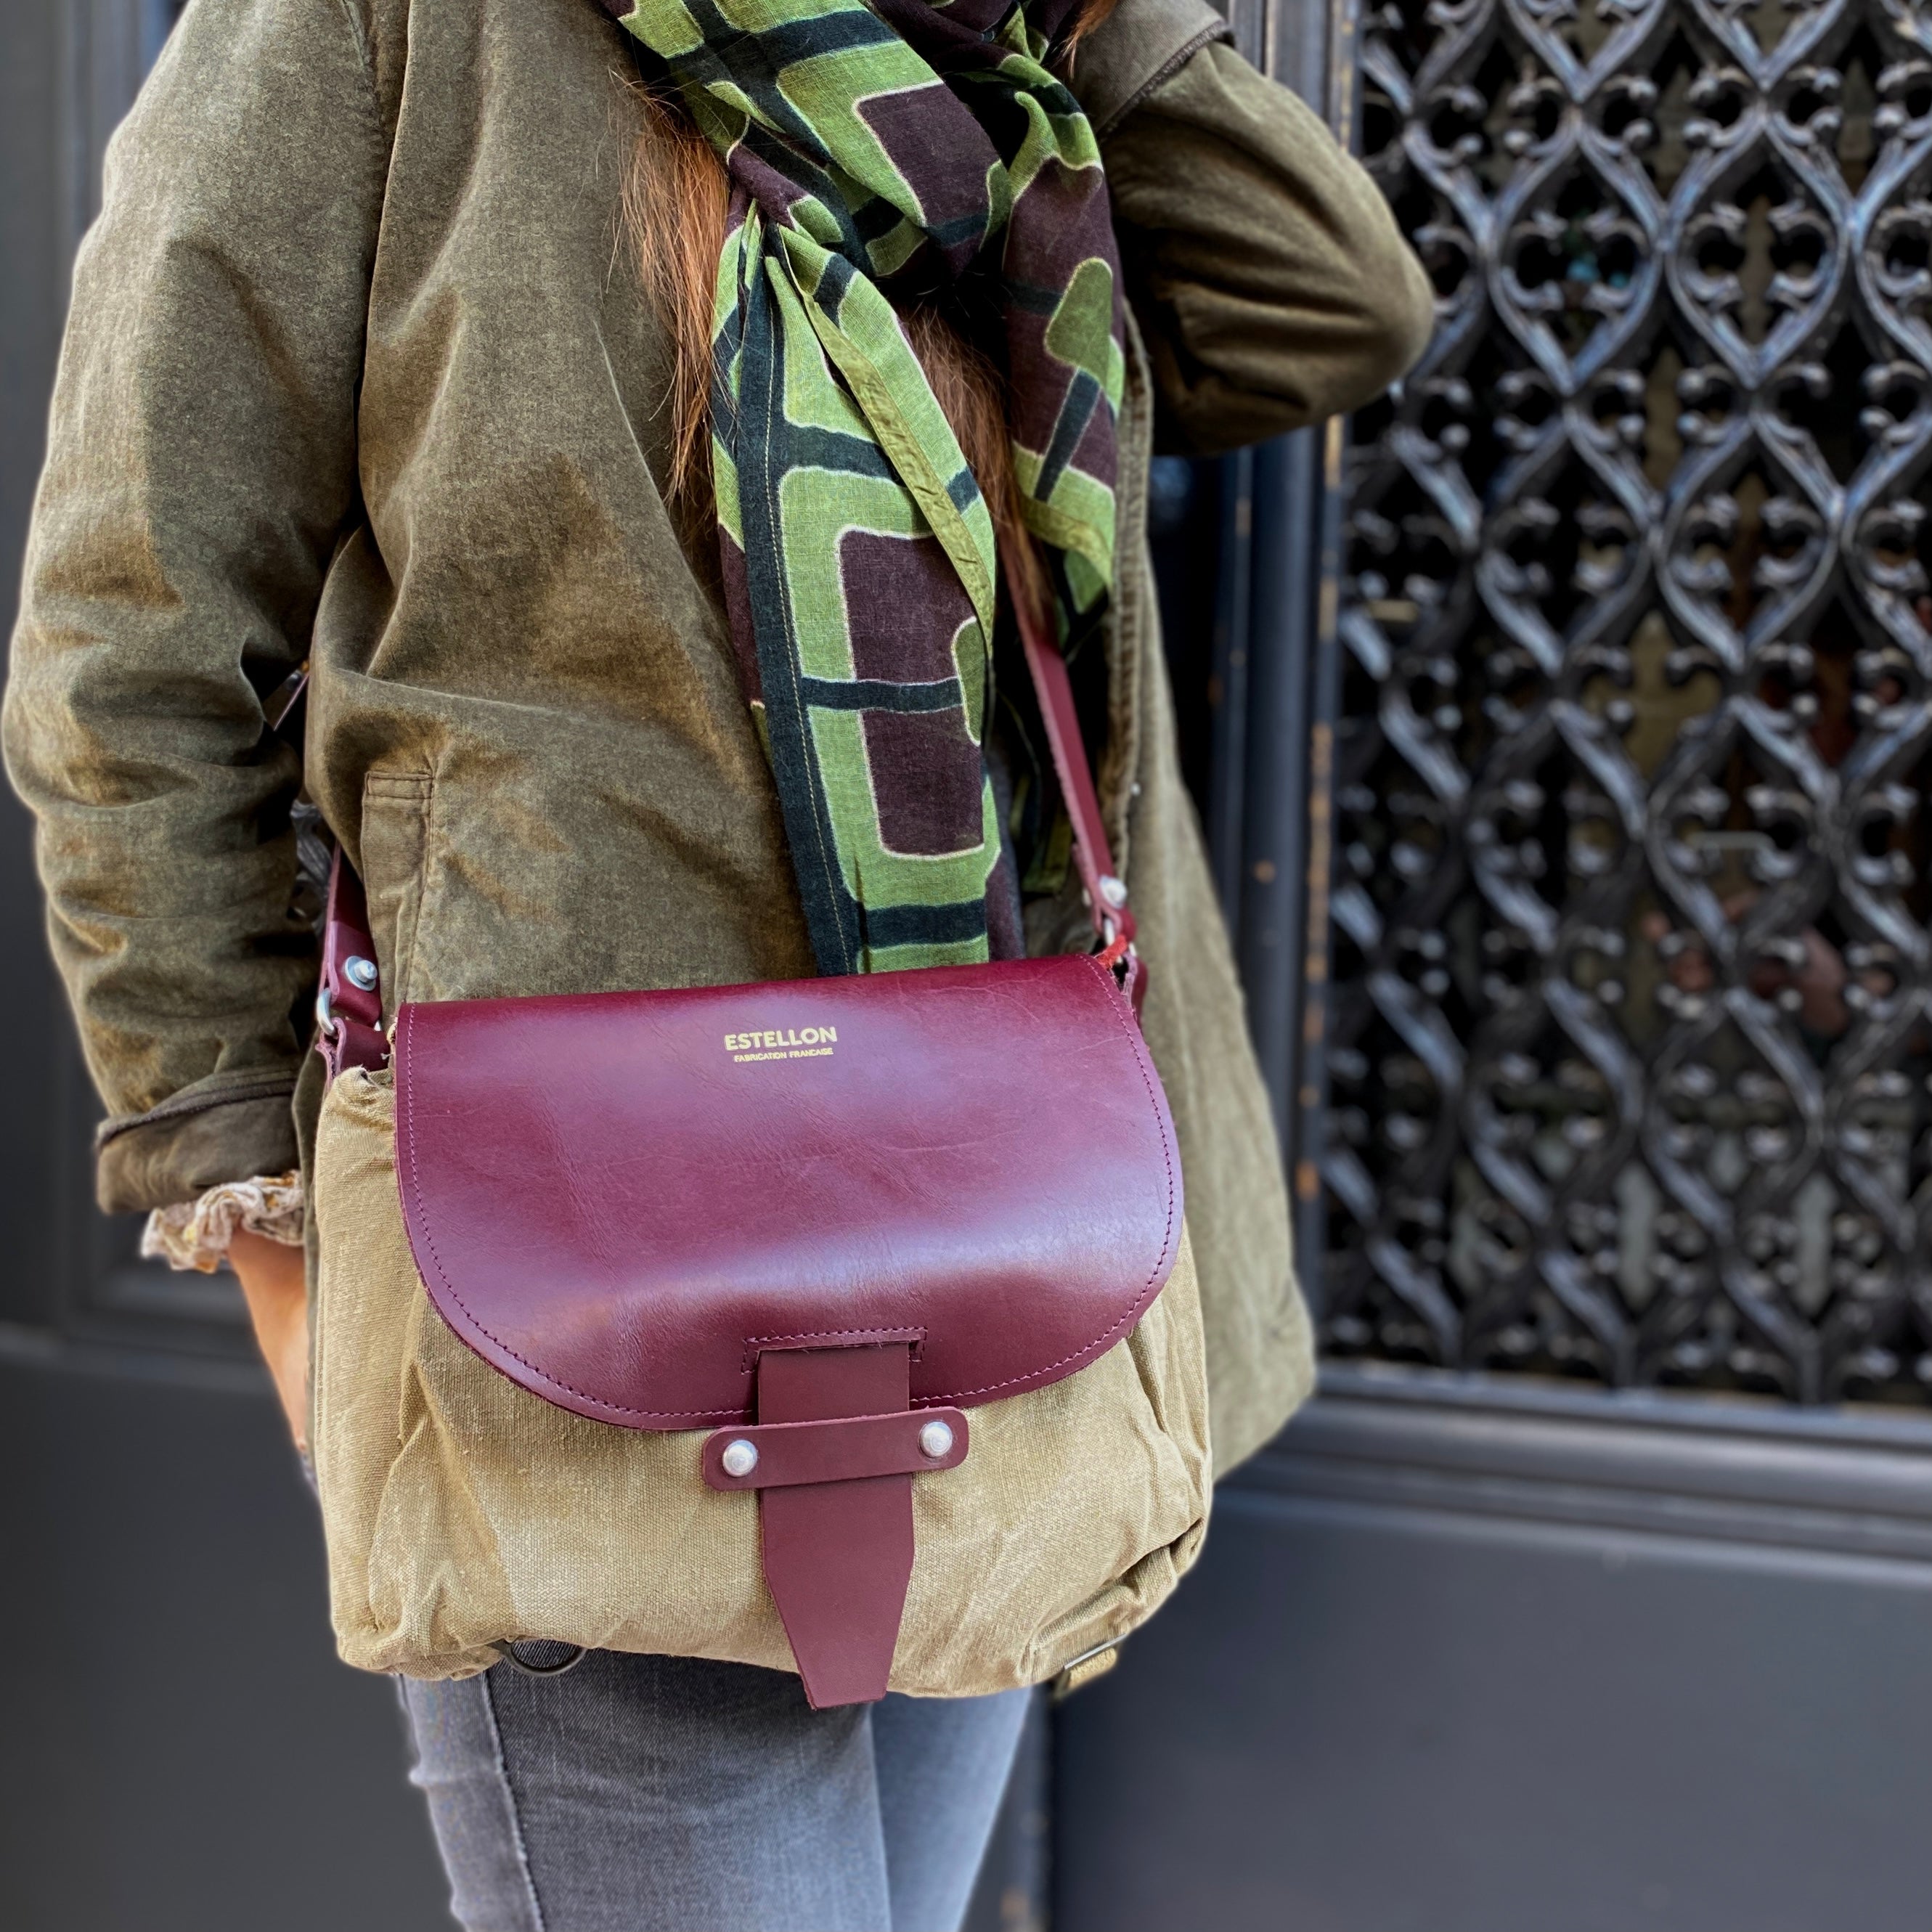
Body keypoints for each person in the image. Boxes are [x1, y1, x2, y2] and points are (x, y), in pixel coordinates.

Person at [4, 0, 1432, 1922]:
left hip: (989, 1213)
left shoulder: (996, 68)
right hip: (578, 1276)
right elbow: (129, 643)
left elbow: (1323, 304)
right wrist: (270, 1236)